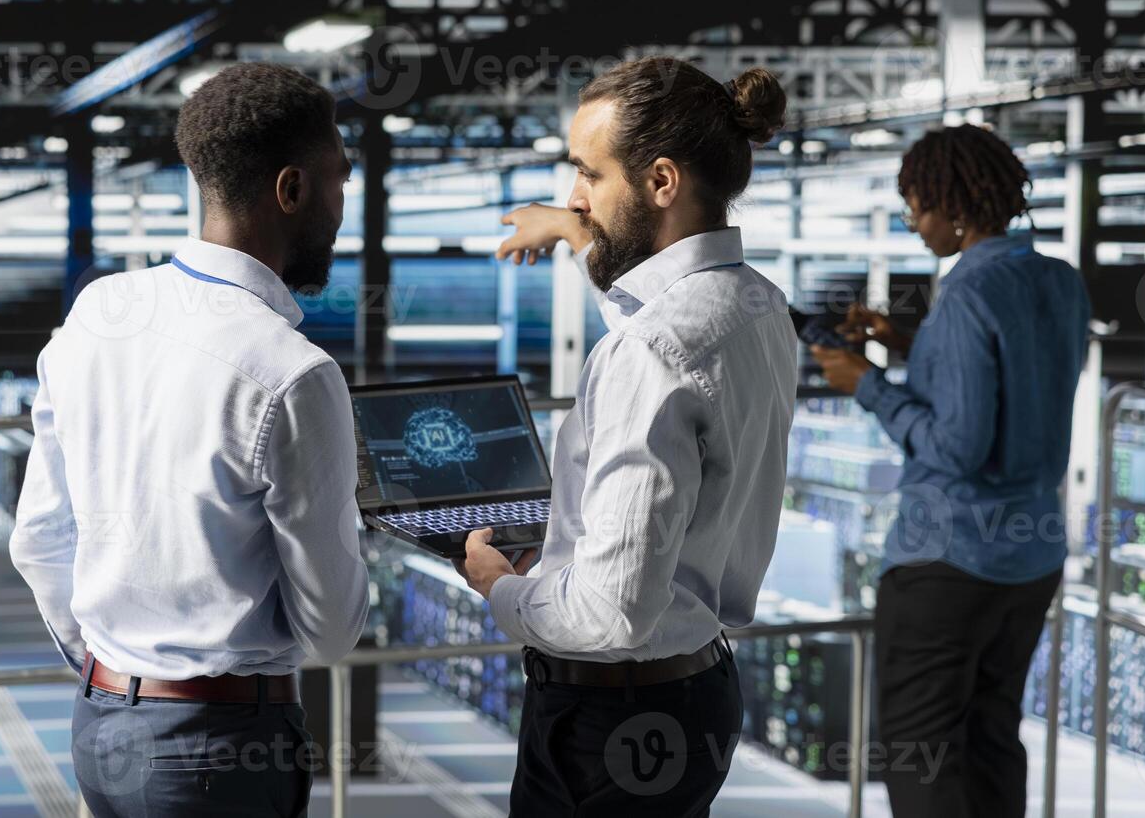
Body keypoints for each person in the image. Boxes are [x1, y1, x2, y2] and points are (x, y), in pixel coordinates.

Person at [9, 63, 369, 818]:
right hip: (223, 748)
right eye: (339, 179)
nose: (344, 204)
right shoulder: (294, 373)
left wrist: (119, 668)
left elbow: (39, 541)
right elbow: (332, 629)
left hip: (100, 725)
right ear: (291, 190)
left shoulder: (98, 311)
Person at [458, 56, 799, 817]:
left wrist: (500, 587)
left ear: (662, 182)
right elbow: (659, 325)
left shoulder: (649, 352)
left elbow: (609, 615)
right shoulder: (757, 305)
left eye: (588, 175)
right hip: (695, 693)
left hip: (609, 723)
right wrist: (578, 234)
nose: (574, 197)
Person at [809, 124, 1089, 818]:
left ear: (952, 206)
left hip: (949, 562)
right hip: (1031, 558)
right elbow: (1015, 383)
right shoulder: (1057, 281)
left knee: (923, 754)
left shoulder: (965, 295)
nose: (912, 222)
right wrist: (909, 343)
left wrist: (867, 384)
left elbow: (959, 448)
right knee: (993, 738)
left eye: (916, 206)